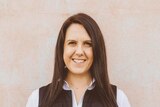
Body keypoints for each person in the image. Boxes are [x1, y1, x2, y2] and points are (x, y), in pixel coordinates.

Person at [26, 13, 131, 107]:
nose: (79, 52)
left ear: (97, 50)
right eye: (72, 43)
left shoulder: (117, 99)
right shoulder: (37, 99)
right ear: (62, 49)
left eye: (88, 44)